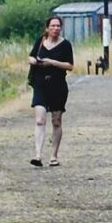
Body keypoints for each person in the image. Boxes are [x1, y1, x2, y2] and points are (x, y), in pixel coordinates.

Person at [26, 17, 76, 166]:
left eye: (58, 26)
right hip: (40, 85)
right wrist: (33, 61)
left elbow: (70, 66)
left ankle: (54, 155)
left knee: (56, 121)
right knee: (40, 120)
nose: (55, 28)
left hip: (58, 86)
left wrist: (52, 62)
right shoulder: (40, 41)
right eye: (53, 26)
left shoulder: (66, 45)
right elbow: (31, 56)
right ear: (47, 28)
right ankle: (38, 155)